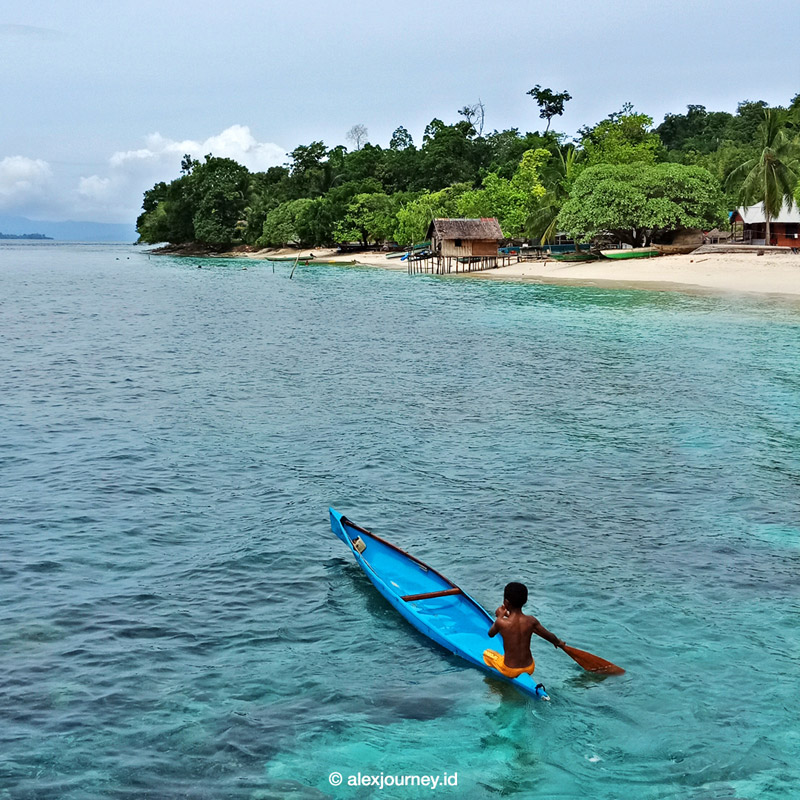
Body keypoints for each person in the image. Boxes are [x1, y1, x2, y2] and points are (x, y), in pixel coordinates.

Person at [483, 582, 565, 679]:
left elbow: (490, 634)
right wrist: (558, 642)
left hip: (510, 670)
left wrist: (500, 616)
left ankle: (494, 686)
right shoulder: (531, 621)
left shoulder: (501, 623)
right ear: (525, 601)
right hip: (530, 667)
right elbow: (549, 636)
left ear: (506, 602)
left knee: (486, 653)